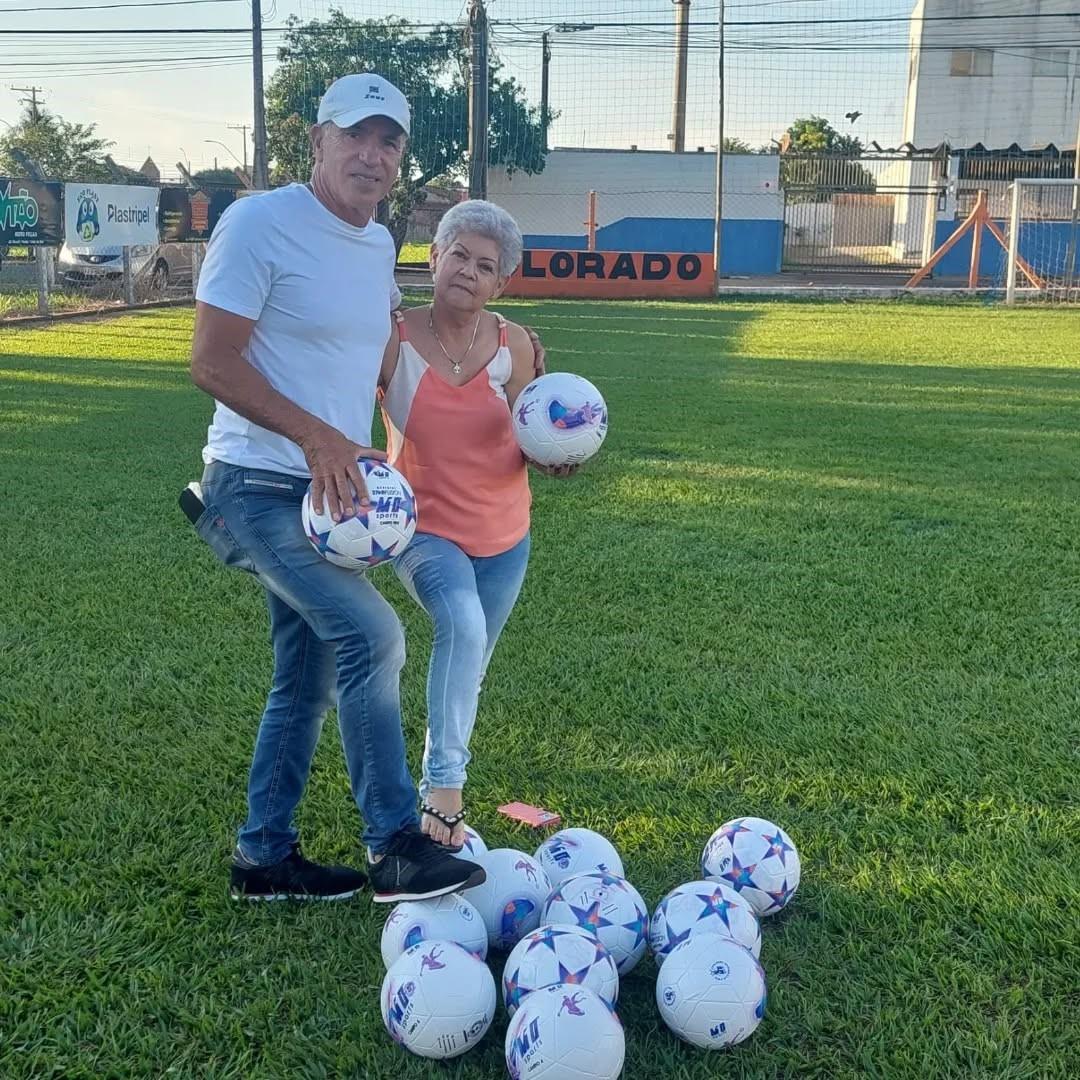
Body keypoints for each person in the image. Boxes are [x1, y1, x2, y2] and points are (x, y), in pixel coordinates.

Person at [189, 74, 490, 903]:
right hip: (252, 484)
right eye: (354, 135)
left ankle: (264, 858)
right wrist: (319, 436)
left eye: (389, 140)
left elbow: (381, 363)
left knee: (308, 674)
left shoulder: (379, 245)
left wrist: (492, 414)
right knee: (374, 634)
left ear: (401, 158)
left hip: (333, 500)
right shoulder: (261, 222)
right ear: (315, 141)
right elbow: (211, 361)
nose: (371, 153)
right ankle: (395, 843)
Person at [379, 200, 576, 851]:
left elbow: (532, 428)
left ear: (501, 282)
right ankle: (443, 798)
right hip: (422, 529)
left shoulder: (515, 343)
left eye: (484, 265)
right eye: (458, 254)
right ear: (433, 258)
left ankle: (437, 791)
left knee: (470, 660)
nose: (468, 270)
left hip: (505, 537)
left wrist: (555, 453)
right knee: (460, 625)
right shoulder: (393, 337)